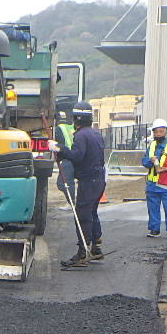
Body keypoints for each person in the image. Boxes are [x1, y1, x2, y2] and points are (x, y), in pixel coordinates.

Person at [54, 101, 106, 267]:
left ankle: (83, 252)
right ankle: (97, 247)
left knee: (82, 215)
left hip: (88, 181)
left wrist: (59, 149)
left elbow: (77, 156)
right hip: (99, 180)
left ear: (76, 118)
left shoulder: (81, 136)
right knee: (92, 212)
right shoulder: (95, 134)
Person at [142, 118, 167, 238]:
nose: (158, 134)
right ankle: (154, 229)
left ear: (165, 131)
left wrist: (165, 169)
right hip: (152, 184)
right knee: (152, 208)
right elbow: (144, 161)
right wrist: (150, 160)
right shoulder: (151, 146)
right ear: (153, 132)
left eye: (161, 131)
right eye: (156, 131)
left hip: (166, 184)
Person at [54, 108, 76, 202]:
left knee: (63, 183)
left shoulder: (59, 128)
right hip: (74, 156)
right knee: (68, 182)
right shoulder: (70, 127)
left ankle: (73, 204)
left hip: (67, 158)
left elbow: (60, 145)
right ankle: (74, 202)